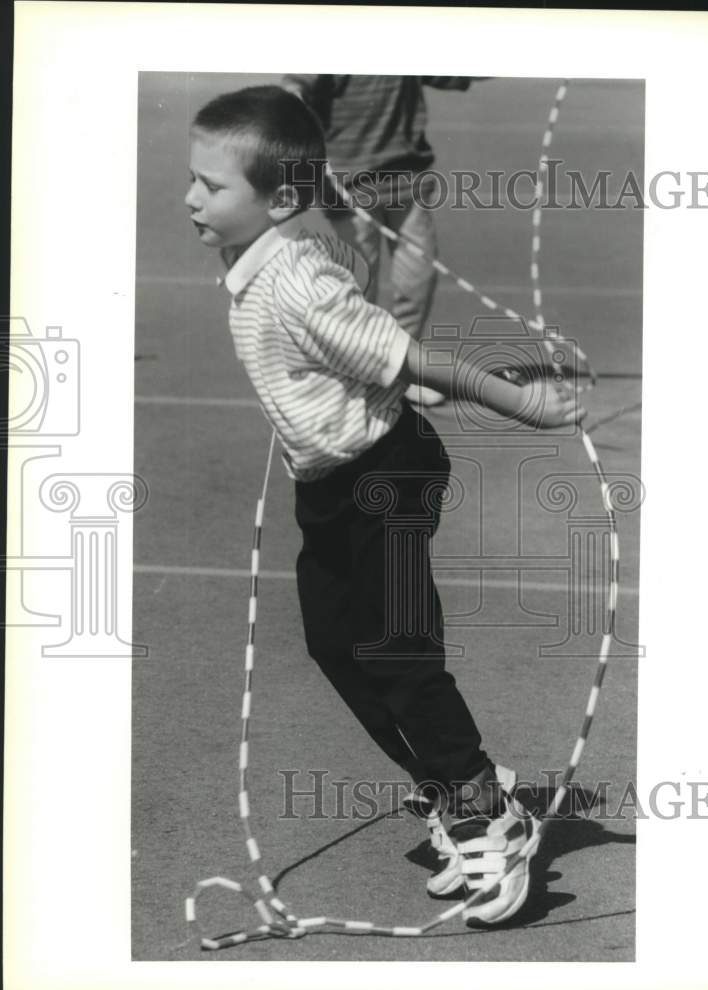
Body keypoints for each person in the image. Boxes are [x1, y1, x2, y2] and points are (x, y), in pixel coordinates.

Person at [184, 85, 585, 926]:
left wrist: (527, 406)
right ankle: (454, 786)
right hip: (328, 483)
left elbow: (414, 358)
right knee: (335, 643)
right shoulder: (262, 247)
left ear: (274, 200)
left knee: (397, 649)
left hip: (386, 476)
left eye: (211, 187)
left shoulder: (294, 282)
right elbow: (337, 240)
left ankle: (487, 817)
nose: (191, 198)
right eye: (194, 180)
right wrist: (319, 188)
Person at [279, 74, 485, 408]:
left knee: (417, 276)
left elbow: (452, 69)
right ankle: (354, 373)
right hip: (348, 184)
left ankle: (404, 372)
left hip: (408, 178)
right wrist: (293, 102)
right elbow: (297, 84)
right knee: (359, 284)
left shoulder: (407, 31)